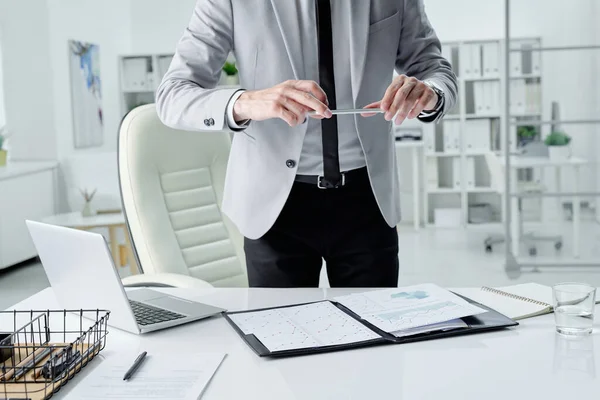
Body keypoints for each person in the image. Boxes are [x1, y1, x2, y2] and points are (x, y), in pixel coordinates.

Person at [156, 0, 457, 288]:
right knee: (280, 337)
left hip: (368, 199)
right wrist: (246, 101)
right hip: (273, 208)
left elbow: (435, 70)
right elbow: (172, 95)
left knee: (374, 335)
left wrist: (430, 93)